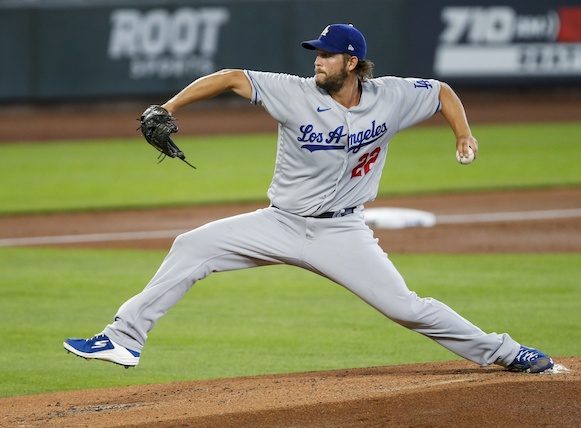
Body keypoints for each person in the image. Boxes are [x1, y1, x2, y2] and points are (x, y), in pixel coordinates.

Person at [64, 24, 554, 373]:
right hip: (279, 222)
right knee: (192, 246)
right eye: (315, 53)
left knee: (406, 308)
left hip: (342, 231)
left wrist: (462, 135)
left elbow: (442, 92)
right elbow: (232, 76)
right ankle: (124, 339)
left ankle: (506, 352)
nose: (316, 60)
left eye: (326, 53)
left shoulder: (391, 96)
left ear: (352, 62)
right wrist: (167, 107)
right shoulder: (295, 93)